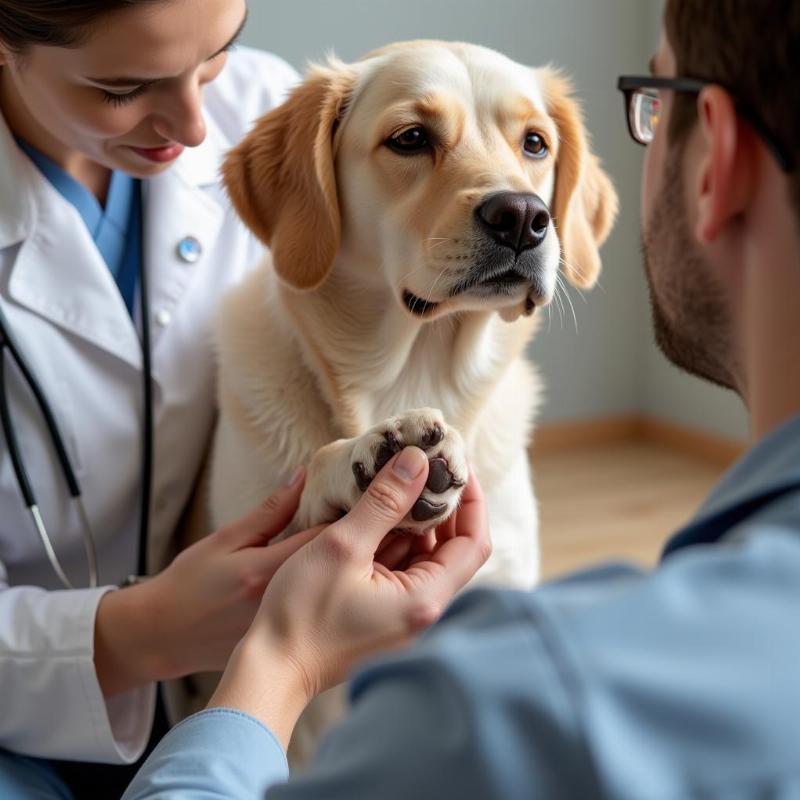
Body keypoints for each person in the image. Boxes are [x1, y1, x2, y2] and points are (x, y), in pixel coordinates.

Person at [121, 0, 800, 797]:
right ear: (319, 186)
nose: (515, 202)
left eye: (532, 147)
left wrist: (282, 658)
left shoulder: (524, 696)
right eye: (414, 141)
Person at [0, 1, 329, 797]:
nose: (193, 123)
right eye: (121, 87)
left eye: (217, 53)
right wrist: (139, 635)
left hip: (216, 692)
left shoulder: (264, 116)